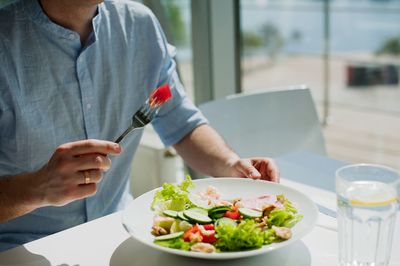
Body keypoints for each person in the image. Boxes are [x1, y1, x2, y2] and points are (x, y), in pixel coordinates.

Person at [0, 0, 279, 252]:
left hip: (119, 233)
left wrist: (231, 164)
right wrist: (35, 189)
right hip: (20, 251)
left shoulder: (139, 25)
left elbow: (182, 123)